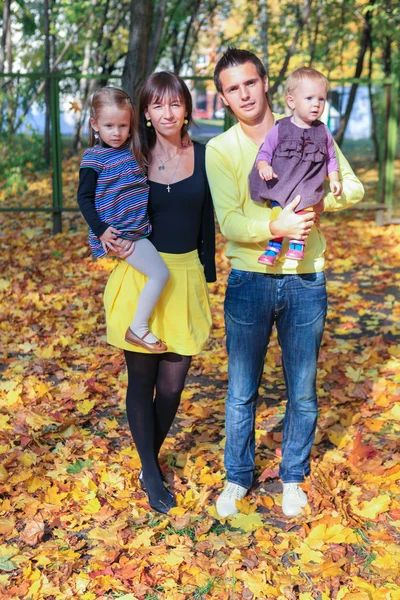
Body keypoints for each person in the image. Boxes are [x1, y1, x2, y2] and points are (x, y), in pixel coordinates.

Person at [205, 48, 364, 518]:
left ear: (267, 83)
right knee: (240, 390)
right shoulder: (221, 149)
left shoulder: (311, 132)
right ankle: (238, 477)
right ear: (224, 99)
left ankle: (293, 477)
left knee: (302, 389)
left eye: (250, 83)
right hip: (250, 280)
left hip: (304, 280)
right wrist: (276, 227)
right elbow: (230, 222)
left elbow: (350, 187)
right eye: (233, 89)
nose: (244, 94)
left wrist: (317, 208)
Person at [103, 71, 216, 514]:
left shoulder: (206, 157)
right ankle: (151, 472)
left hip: (184, 275)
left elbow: (213, 215)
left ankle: (148, 458)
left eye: (174, 103)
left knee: (172, 385)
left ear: (185, 107)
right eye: (156, 106)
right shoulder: (133, 155)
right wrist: (105, 234)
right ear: (145, 114)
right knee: (141, 381)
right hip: (142, 273)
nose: (166, 113)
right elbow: (100, 198)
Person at [77, 87, 169, 353]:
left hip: (137, 228)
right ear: (95, 124)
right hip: (120, 233)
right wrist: (103, 232)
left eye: (122, 125)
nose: (116, 132)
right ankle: (138, 328)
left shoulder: (133, 149)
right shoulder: (94, 158)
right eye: (108, 125)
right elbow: (84, 199)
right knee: (160, 274)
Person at [249, 67, 342, 265]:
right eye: (309, 98)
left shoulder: (323, 131)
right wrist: (264, 165)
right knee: (278, 213)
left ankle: (297, 245)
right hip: (282, 185)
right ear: (291, 101)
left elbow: (331, 158)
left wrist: (333, 178)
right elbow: (264, 152)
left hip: (307, 187)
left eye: (321, 99)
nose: (316, 104)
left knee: (304, 214)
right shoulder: (281, 128)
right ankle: (273, 246)